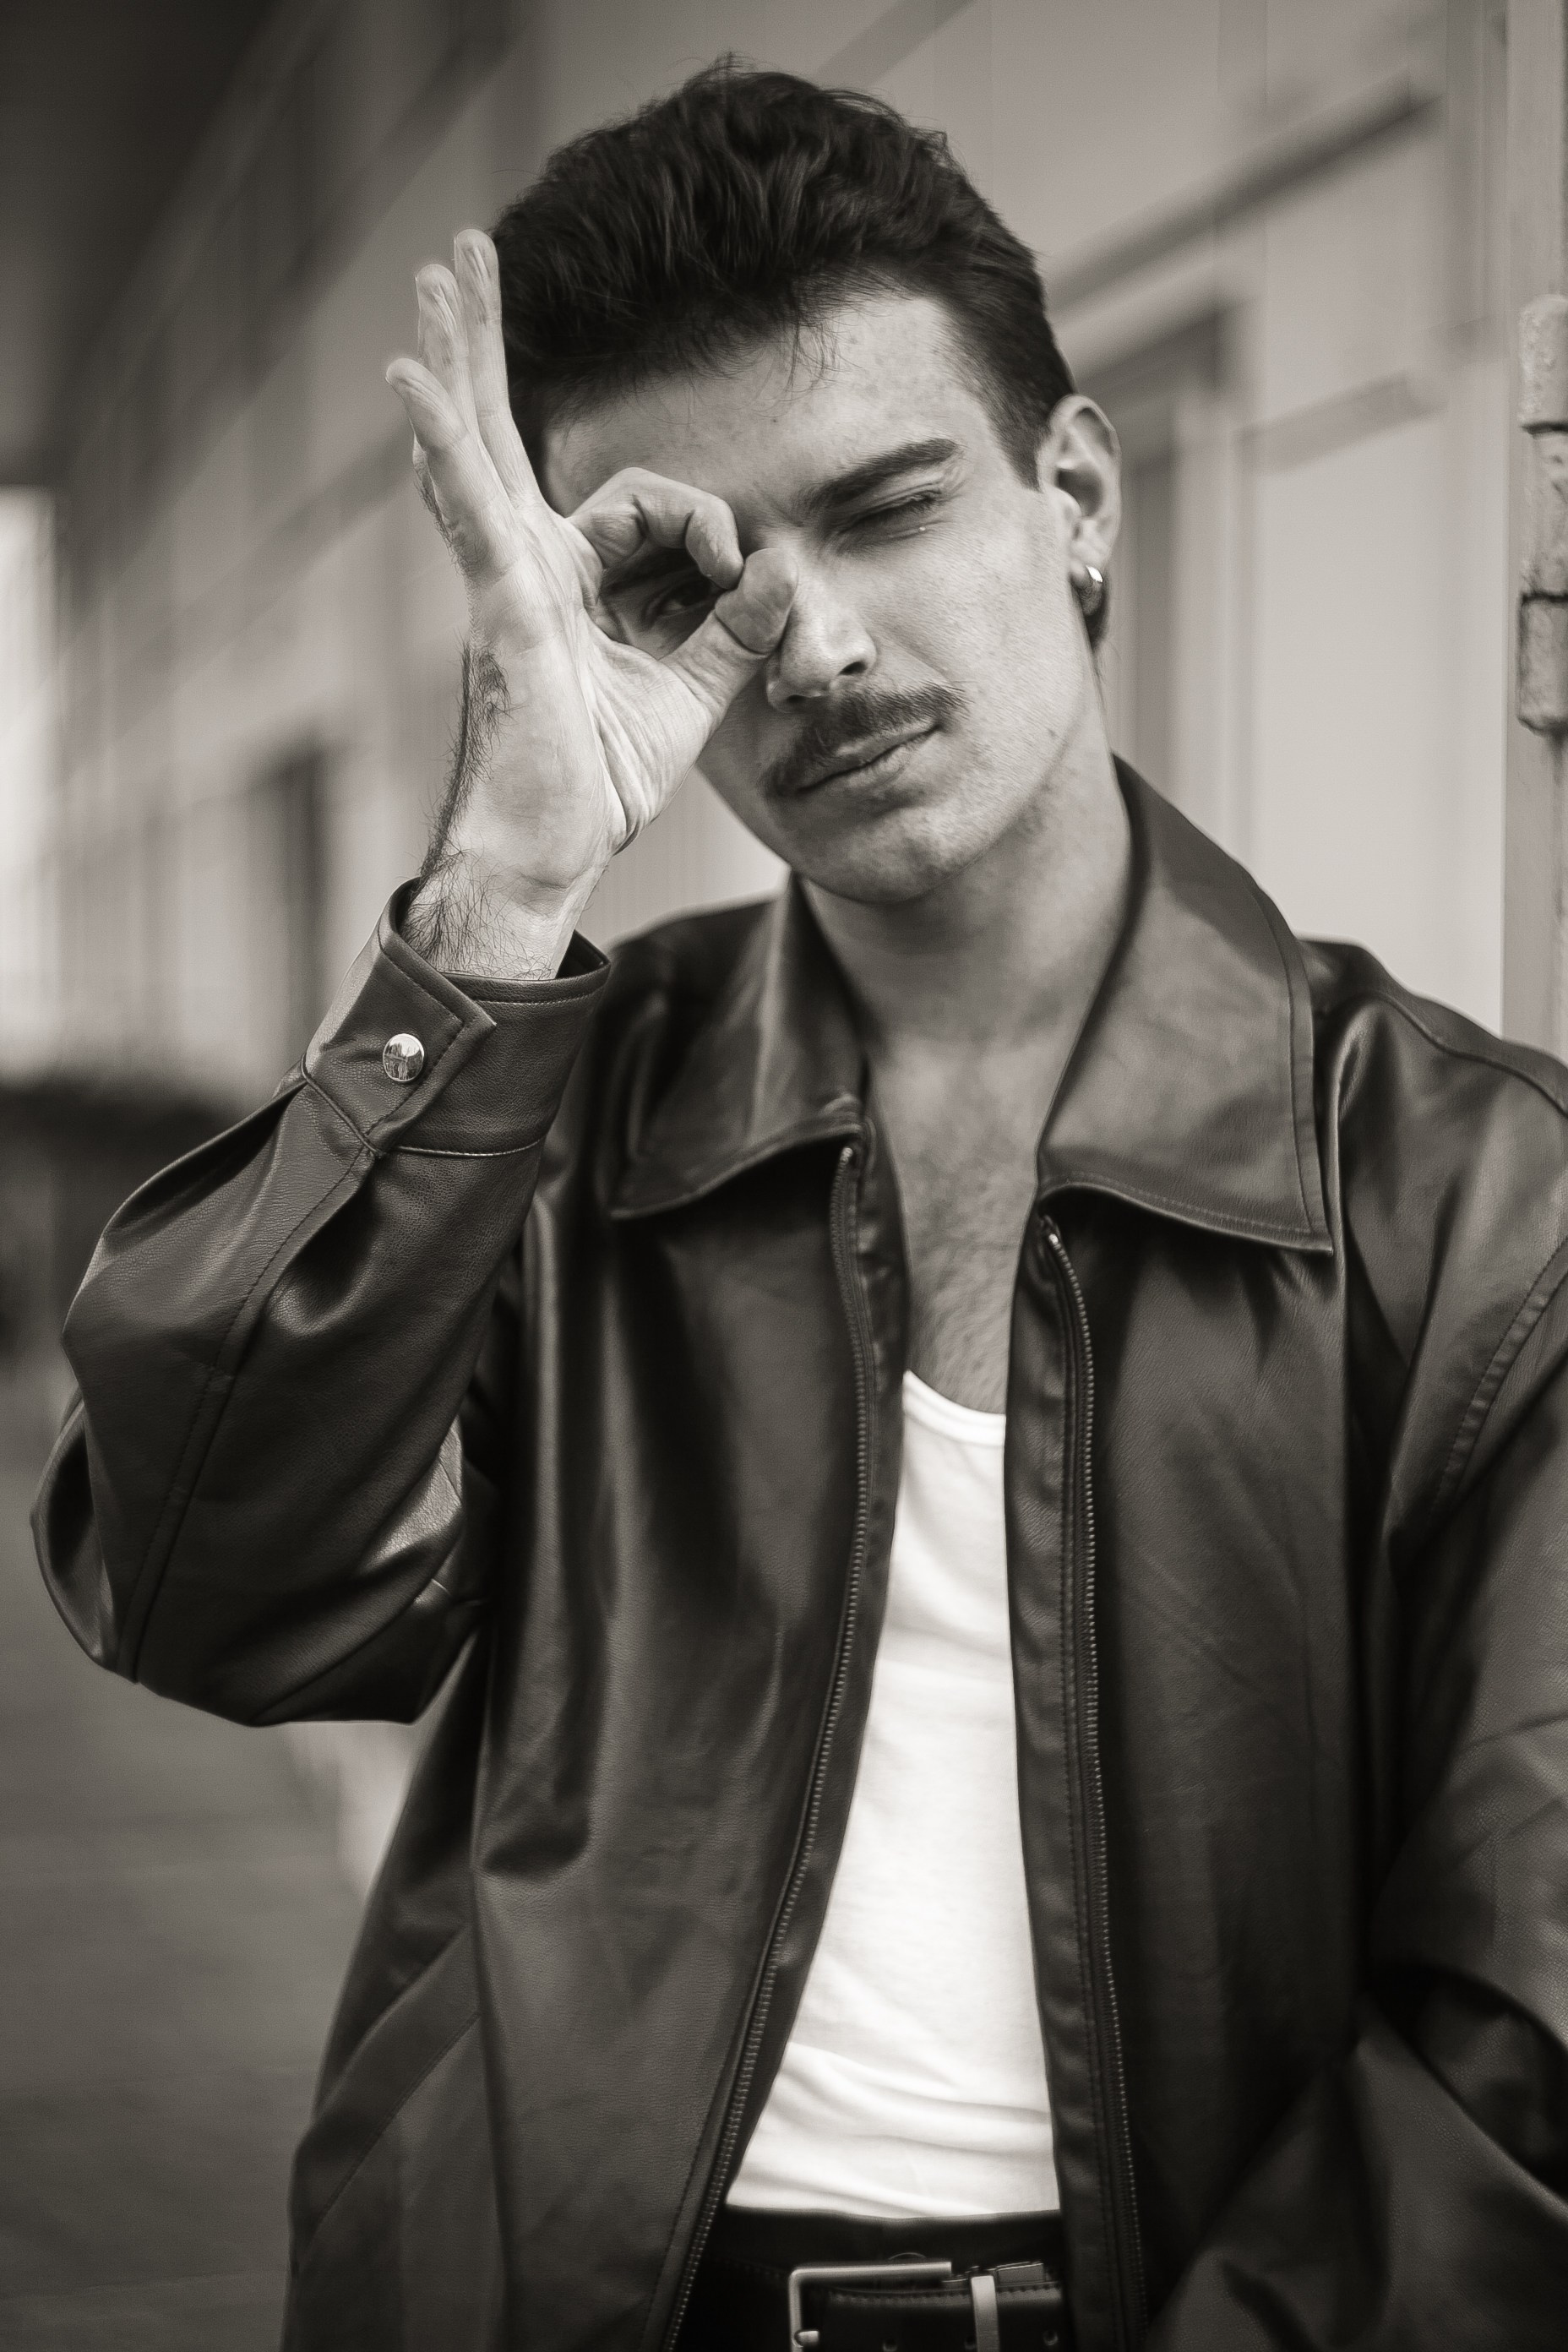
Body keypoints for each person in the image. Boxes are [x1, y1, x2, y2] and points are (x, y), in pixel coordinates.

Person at [32, 59, 1568, 2352]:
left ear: (1076, 495)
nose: (814, 646)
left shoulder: (1478, 1196)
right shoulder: (554, 1115)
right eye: (701, 580)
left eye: (886, 508)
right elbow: (201, 1587)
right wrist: (501, 893)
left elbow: (1523, 2040)